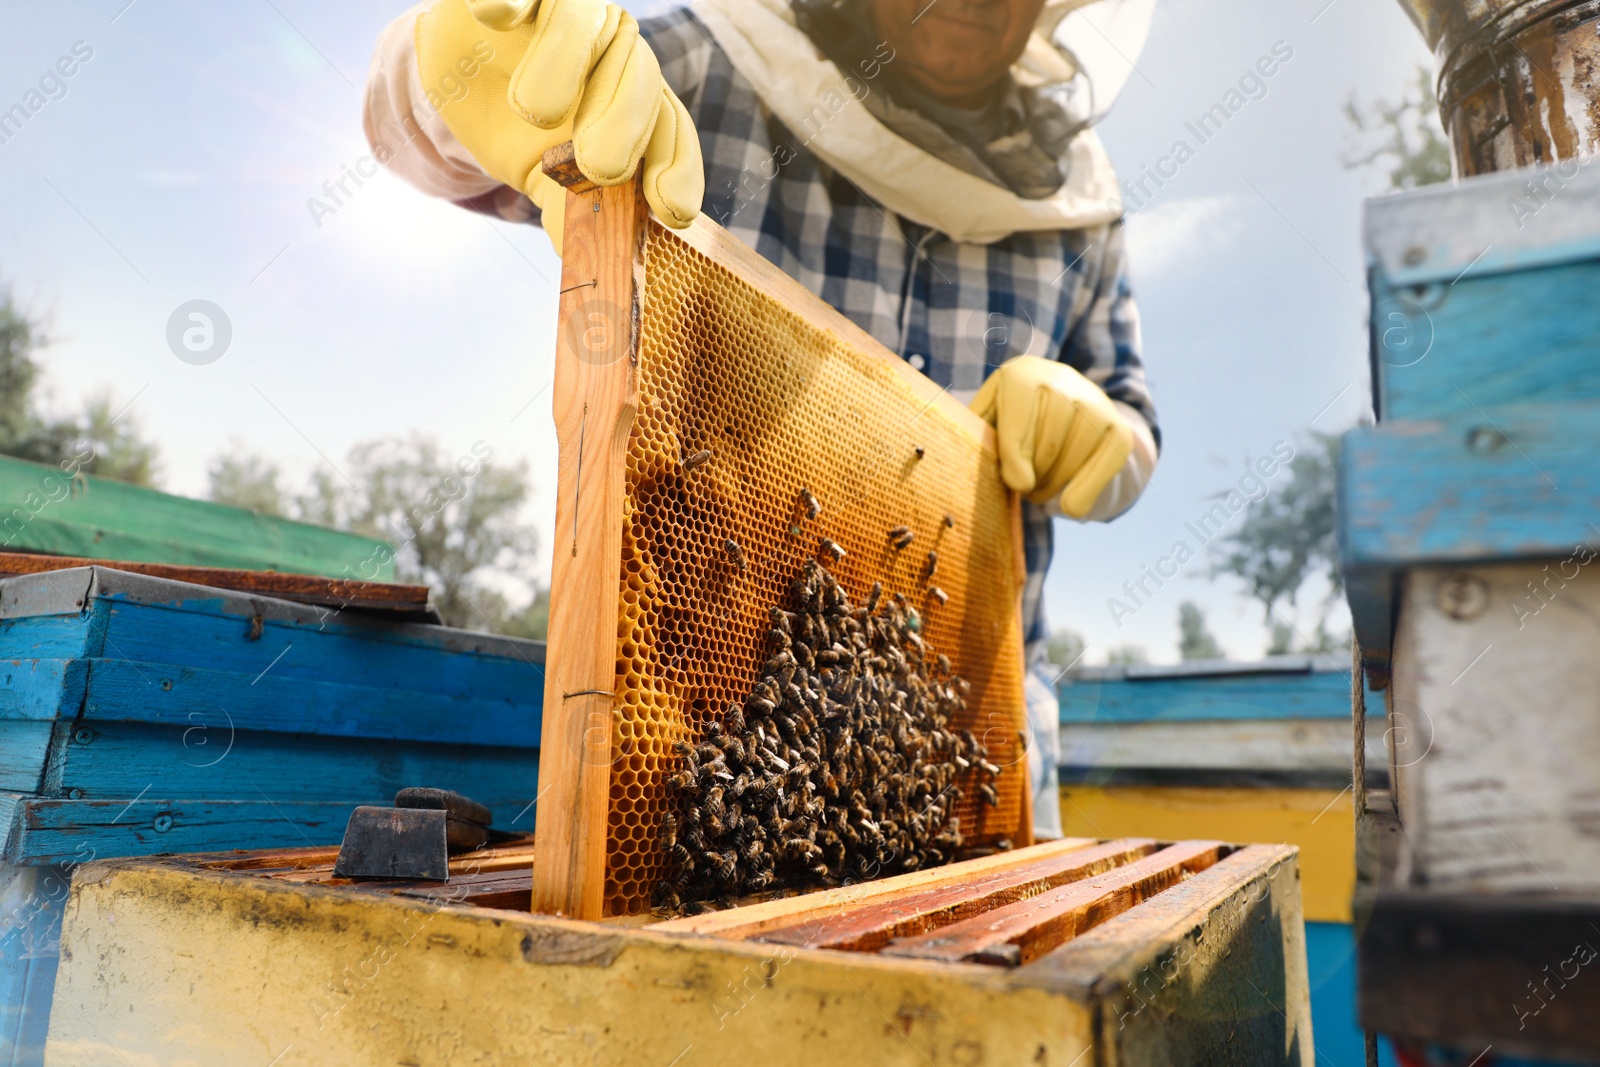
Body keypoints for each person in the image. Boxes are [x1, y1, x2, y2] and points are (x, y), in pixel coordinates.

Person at [365, 0, 1160, 839]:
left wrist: (1108, 437)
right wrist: (452, 67)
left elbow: (1134, 413)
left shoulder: (1083, 202)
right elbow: (413, 132)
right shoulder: (712, 63)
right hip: (693, 735)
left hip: (975, 759)